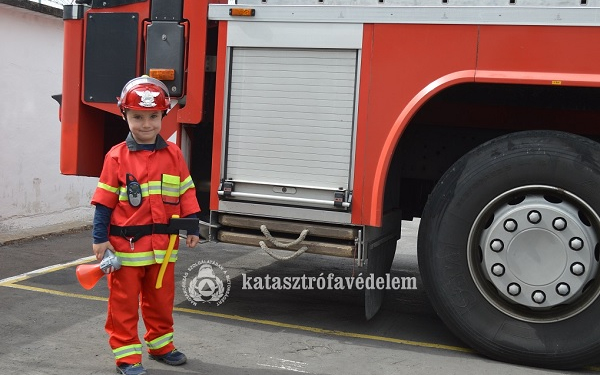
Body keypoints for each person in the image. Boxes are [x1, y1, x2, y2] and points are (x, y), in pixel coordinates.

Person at [91, 76, 201, 375]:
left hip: (163, 250)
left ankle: (161, 345)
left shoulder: (174, 154)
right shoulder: (116, 156)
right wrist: (99, 238)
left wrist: (192, 227)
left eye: (153, 116)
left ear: (163, 115)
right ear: (124, 115)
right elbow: (104, 202)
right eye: (137, 117)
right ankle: (127, 357)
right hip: (126, 250)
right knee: (123, 306)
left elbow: (186, 191)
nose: (146, 124)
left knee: (161, 301)